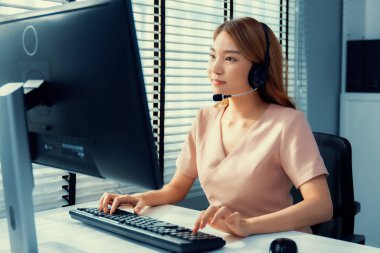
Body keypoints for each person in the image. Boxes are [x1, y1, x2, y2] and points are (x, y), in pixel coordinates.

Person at [99, 17, 333, 237]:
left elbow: (321, 206)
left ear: (259, 71)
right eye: (213, 56)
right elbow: (177, 188)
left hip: (279, 242)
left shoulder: (287, 123)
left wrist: (247, 226)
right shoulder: (205, 119)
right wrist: (138, 198)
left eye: (230, 59)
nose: (215, 68)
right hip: (230, 241)